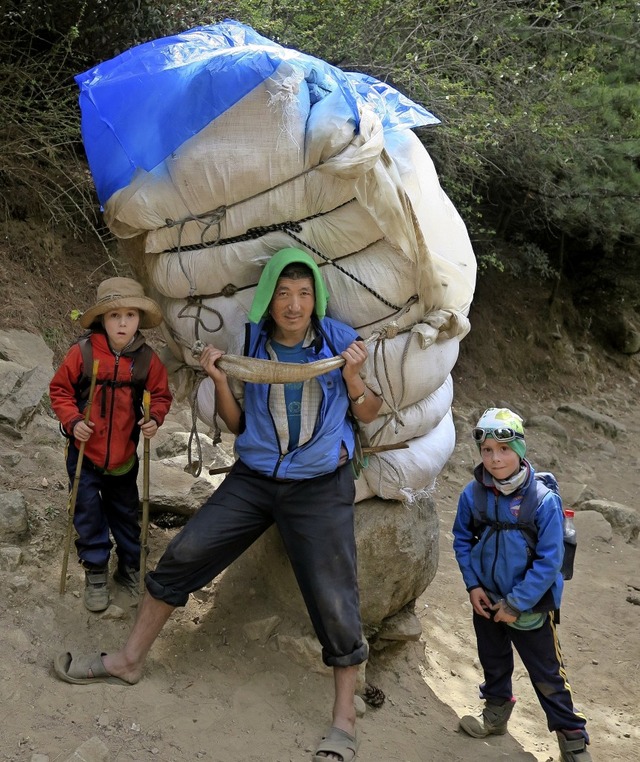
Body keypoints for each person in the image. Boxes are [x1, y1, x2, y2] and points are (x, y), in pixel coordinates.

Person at [53, 248, 382, 762]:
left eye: (303, 294)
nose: (293, 305)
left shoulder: (340, 342)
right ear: (269, 299)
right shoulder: (251, 343)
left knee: (335, 592)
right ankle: (127, 660)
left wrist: (355, 379)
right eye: (283, 293)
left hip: (319, 484)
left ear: (316, 299)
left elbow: (369, 409)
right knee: (186, 552)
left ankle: (343, 718)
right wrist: (220, 380)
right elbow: (237, 425)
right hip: (254, 478)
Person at [452, 407, 592, 762]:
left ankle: (572, 740)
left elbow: (550, 561)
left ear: (520, 449)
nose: (495, 458)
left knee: (547, 673)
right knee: (493, 661)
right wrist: (473, 586)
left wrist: (516, 603)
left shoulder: (542, 501)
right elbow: (461, 540)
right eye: (487, 450)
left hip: (529, 608)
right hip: (487, 601)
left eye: (504, 449)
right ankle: (496, 716)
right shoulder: (473, 495)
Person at [50, 277, 172, 611]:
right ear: (102, 319)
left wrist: (154, 418)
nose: (122, 322)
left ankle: (129, 567)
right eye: (114, 315)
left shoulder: (146, 360)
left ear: (138, 320)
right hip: (84, 455)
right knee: (87, 513)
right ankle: (96, 572)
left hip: (123, 458)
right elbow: (59, 390)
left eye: (130, 315)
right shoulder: (85, 352)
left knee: (126, 514)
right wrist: (73, 422)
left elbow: (161, 394)